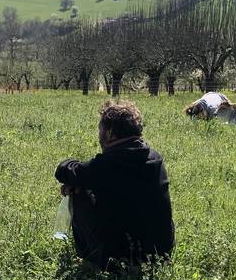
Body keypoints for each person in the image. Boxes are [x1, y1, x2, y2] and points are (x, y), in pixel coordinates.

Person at [55, 100, 175, 270]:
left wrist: (76, 180)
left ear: (110, 133)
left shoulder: (107, 164)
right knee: (86, 184)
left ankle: (91, 261)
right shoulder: (155, 158)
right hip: (161, 254)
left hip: (124, 258)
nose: (99, 134)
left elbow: (63, 171)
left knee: (78, 191)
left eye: (100, 129)